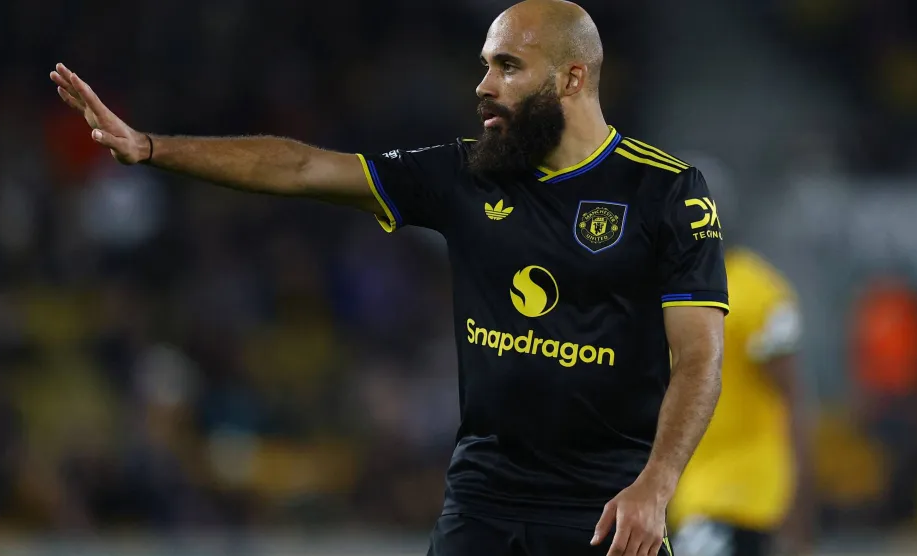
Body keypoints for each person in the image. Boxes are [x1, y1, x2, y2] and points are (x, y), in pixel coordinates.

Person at [49, 1, 727, 554]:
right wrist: (150, 147)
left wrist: (656, 487)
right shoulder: (468, 173)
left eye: (508, 67)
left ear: (573, 79)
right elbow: (303, 168)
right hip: (483, 503)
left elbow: (698, 358)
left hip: (609, 506)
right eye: (486, 65)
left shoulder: (664, 192)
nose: (483, 86)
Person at [668, 237, 812, 553]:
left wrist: (800, 512)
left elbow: (792, 400)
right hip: (692, 498)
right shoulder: (670, 290)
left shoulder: (756, 291)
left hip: (745, 501)